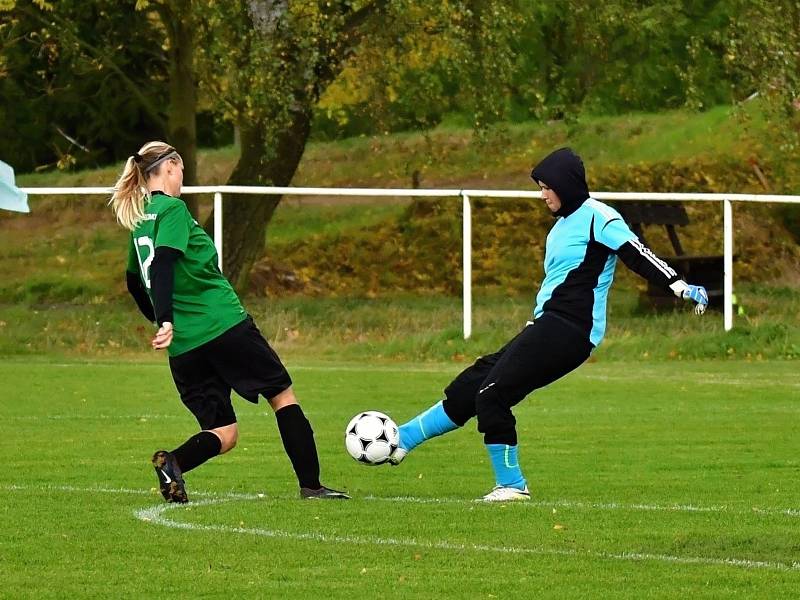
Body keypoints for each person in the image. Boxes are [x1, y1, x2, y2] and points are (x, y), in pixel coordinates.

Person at [387, 147, 709, 502]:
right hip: (546, 324)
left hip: (572, 330)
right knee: (473, 383)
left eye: (547, 187)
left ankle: (511, 485)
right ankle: (404, 438)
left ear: (566, 185)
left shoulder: (598, 217)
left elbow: (636, 252)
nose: (542, 195)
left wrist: (678, 284)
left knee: (493, 394)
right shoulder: (558, 228)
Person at [110, 141, 349, 502]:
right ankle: (312, 486)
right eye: (181, 170)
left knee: (223, 431)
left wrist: (165, 324)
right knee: (282, 396)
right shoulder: (172, 210)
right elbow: (162, 264)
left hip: (185, 347)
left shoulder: (140, 220)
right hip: (224, 327)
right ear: (171, 167)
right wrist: (166, 319)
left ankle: (172, 463)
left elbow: (134, 281)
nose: (182, 178)